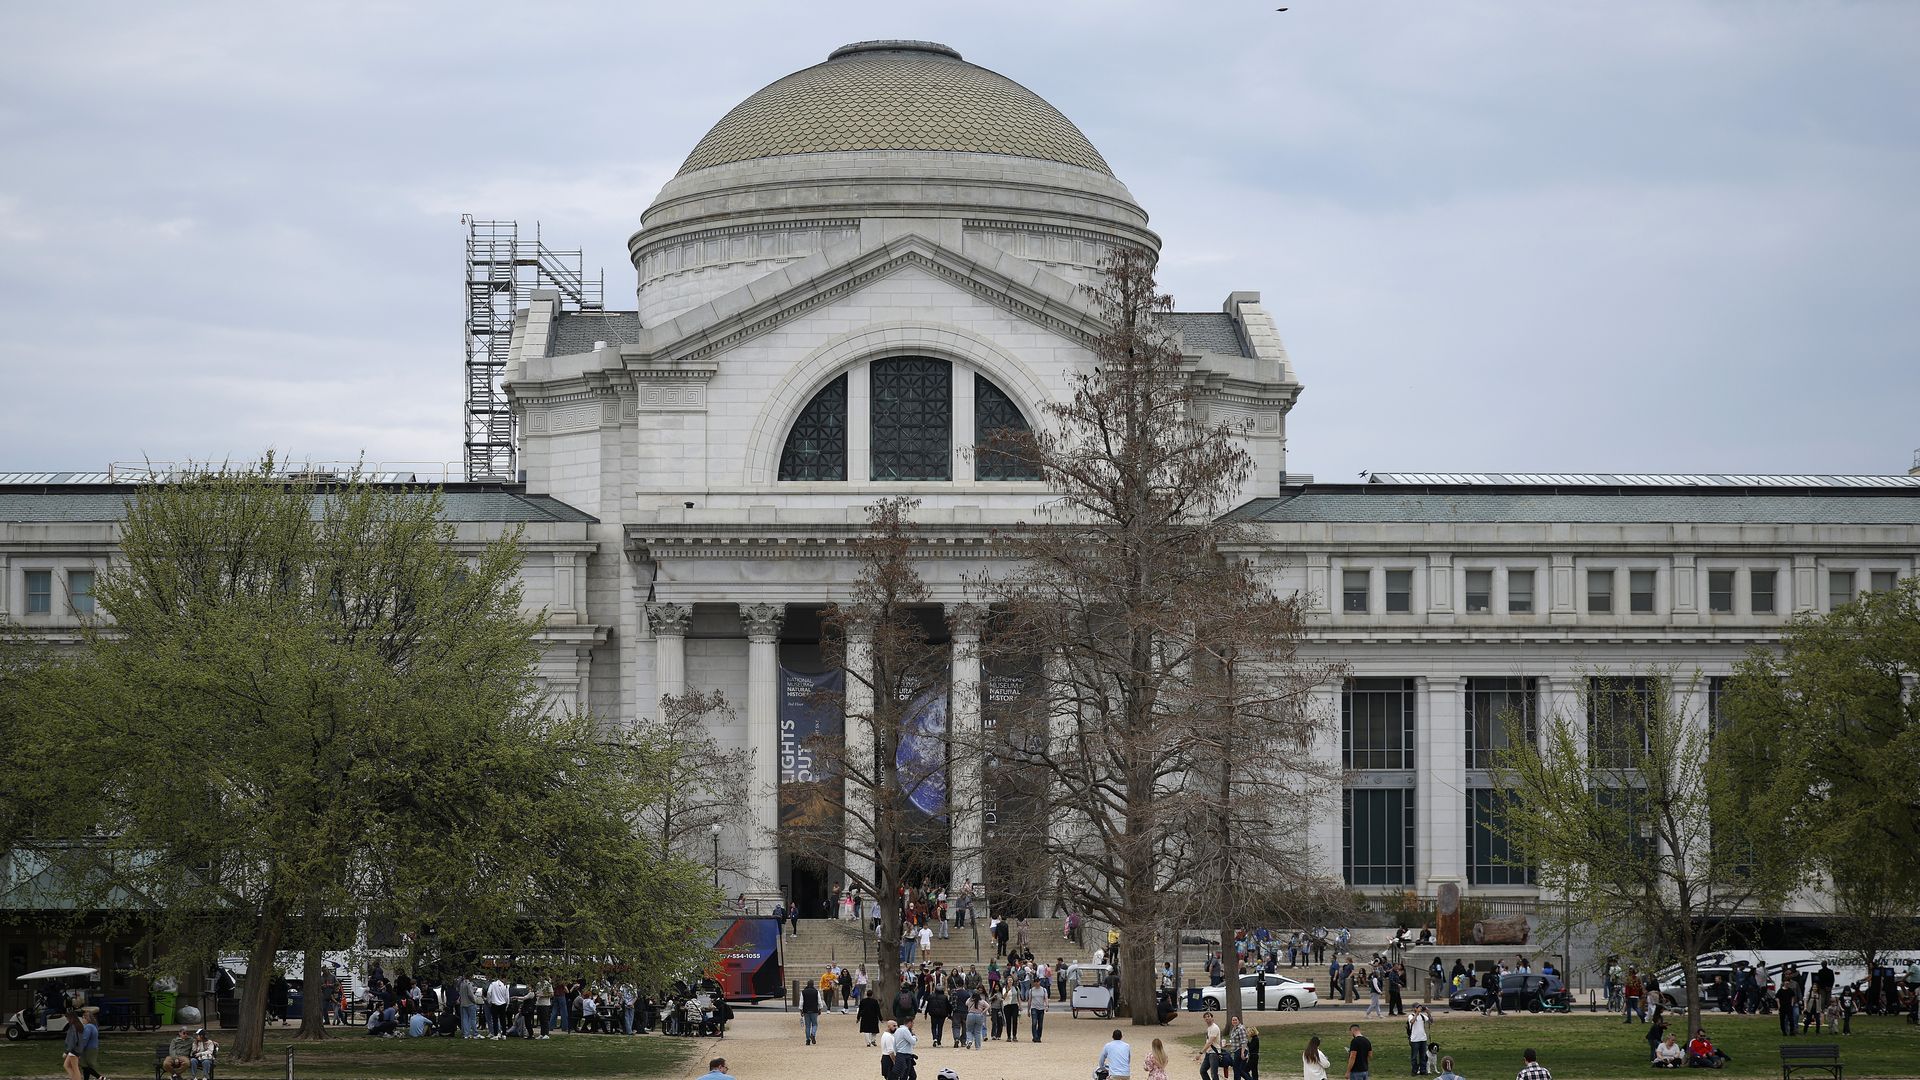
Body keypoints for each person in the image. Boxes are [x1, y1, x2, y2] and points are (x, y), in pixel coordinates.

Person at [1408, 1003, 1431, 1076]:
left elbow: (1431, 1021)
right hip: (1415, 1039)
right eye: (1418, 1007)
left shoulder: (1422, 1016)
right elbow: (1412, 1021)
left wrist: (1428, 1013)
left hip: (1423, 1039)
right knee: (1414, 1056)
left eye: (1420, 1007)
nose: (1420, 1009)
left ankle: (1423, 1070)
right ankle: (1414, 1071)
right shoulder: (1410, 1016)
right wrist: (1417, 1013)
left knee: (1423, 1056)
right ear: (1414, 1008)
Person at [894, 1016, 919, 1080]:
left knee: (912, 1075)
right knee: (905, 1075)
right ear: (910, 1023)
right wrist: (914, 1036)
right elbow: (913, 1041)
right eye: (912, 1023)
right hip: (905, 1055)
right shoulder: (905, 1030)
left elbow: (894, 1044)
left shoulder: (897, 1030)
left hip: (900, 1054)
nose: (913, 1025)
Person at [1202, 1011, 1225, 1080]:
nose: (1207, 1018)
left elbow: (1210, 1042)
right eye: (1205, 1017)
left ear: (1212, 1018)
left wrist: (1201, 1052)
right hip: (1209, 1052)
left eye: (1208, 1016)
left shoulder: (1214, 1028)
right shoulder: (1209, 1028)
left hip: (1214, 1053)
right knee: (1202, 1071)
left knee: (1214, 1073)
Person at [1029, 974, 1049, 1042]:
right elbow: (1030, 1000)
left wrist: (1046, 1005)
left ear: (1039, 982)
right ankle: (1035, 1036)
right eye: (1035, 982)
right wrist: (1028, 1009)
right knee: (1034, 1023)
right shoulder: (1031, 990)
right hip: (1034, 1007)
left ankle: (1039, 1036)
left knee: (1040, 1024)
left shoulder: (1043, 990)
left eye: (1038, 981)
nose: (1037, 983)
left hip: (1041, 1008)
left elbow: (1046, 998)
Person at [801, 978, 821, 1045]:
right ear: (813, 984)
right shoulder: (816, 992)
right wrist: (820, 1009)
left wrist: (801, 1010)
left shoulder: (803, 992)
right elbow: (819, 1001)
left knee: (807, 1026)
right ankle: (813, 1034)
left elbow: (801, 1002)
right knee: (815, 1024)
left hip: (806, 1010)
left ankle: (807, 1040)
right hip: (814, 1010)